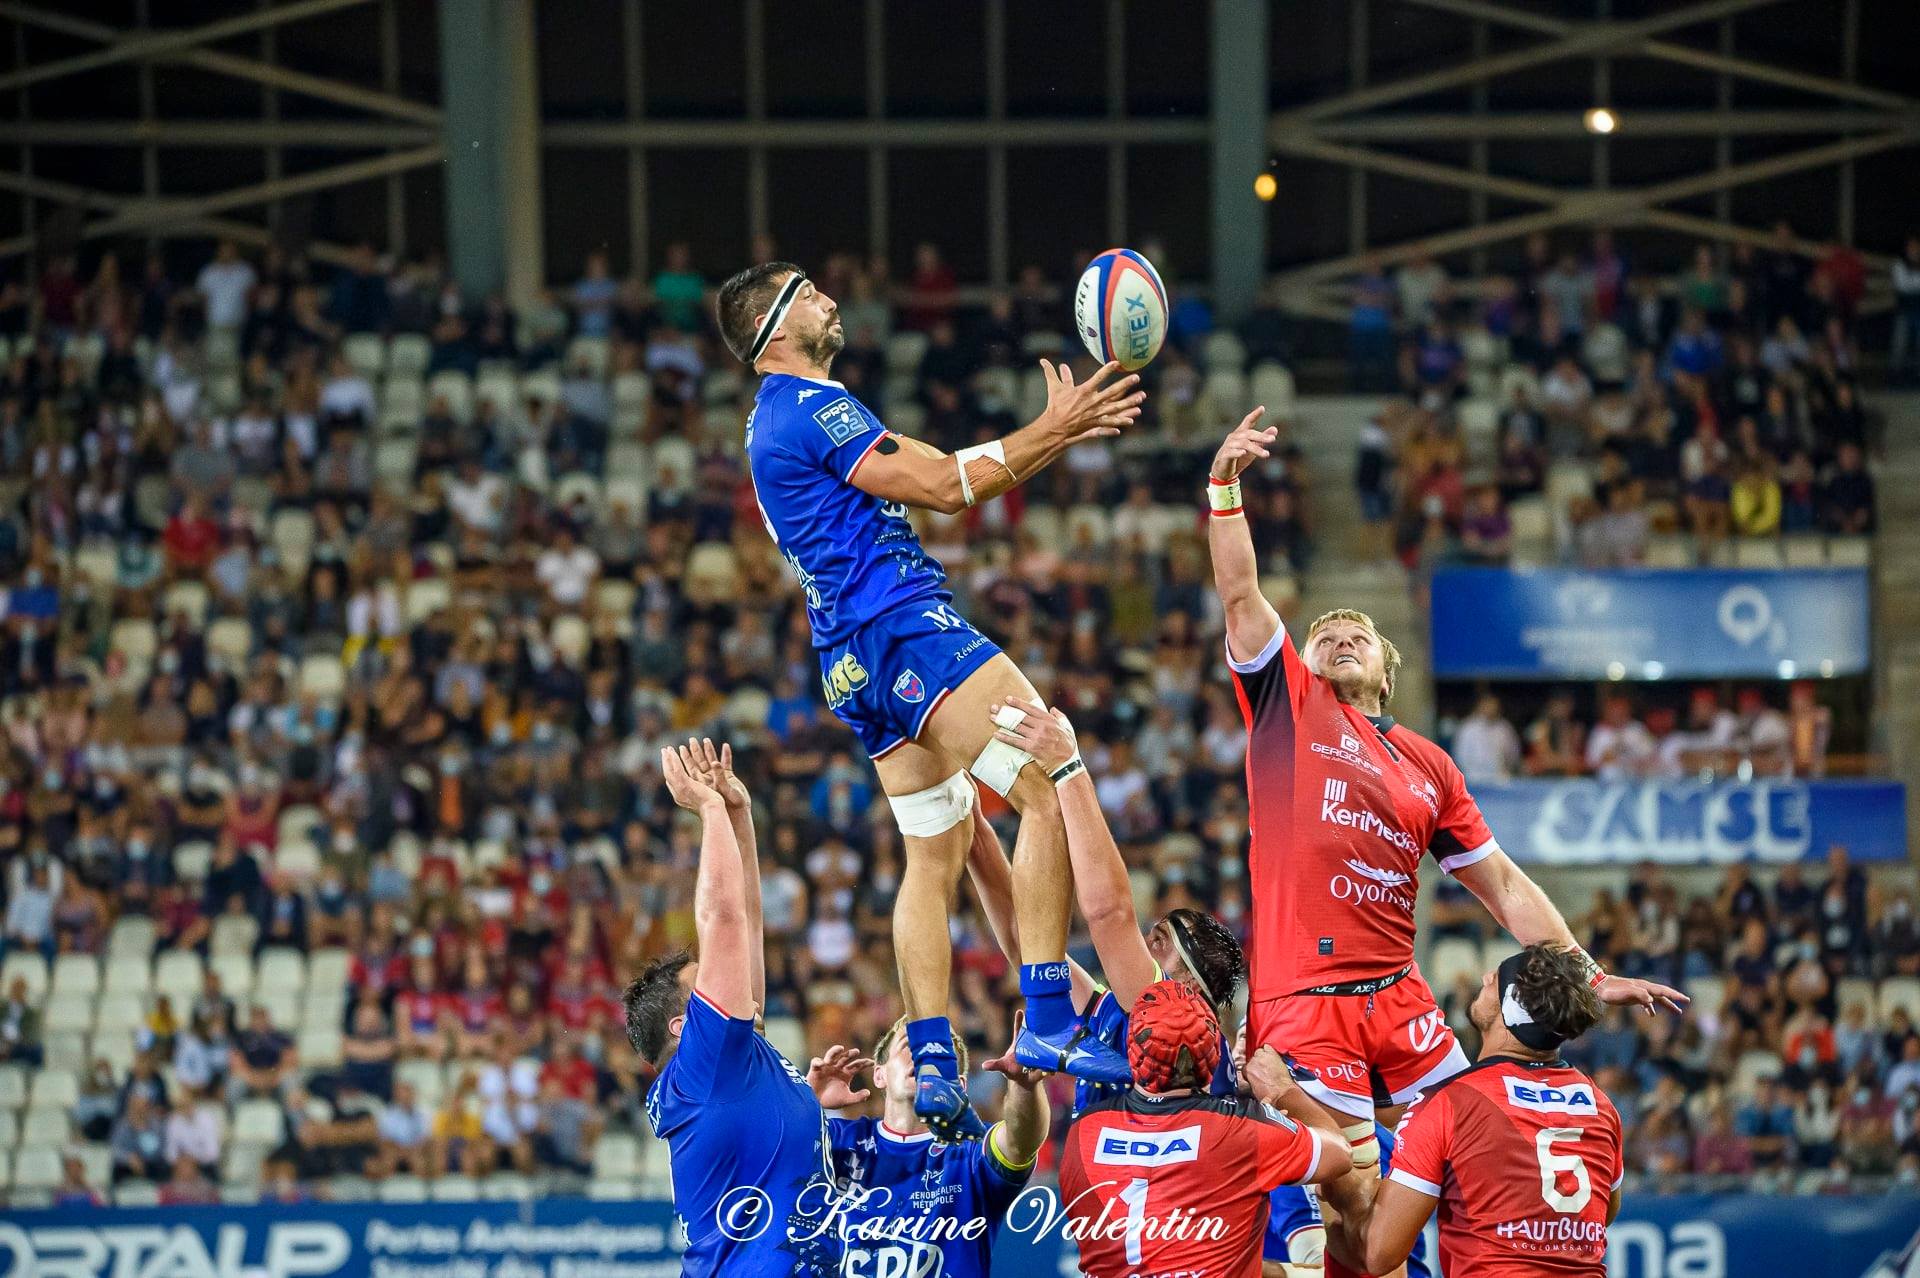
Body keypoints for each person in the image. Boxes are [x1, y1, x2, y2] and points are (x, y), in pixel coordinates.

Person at [1205, 409, 1681, 1227]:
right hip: (1306, 1000)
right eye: (1326, 635)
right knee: (1350, 1203)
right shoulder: (1287, 703)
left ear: (1388, 676)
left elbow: (1501, 883)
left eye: (1359, 635)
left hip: (1403, 999)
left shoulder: (1430, 764)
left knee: (1487, 1153)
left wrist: (1588, 972)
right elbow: (1241, 591)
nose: (1341, 636)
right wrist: (1223, 491)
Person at [717, 260, 1144, 1135]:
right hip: (904, 628)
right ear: (776, 329)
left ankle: (936, 1060)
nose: (831, 299)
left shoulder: (767, 427)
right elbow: (945, 486)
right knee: (1045, 781)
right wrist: (1054, 428)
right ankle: (1053, 1015)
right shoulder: (812, 407)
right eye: (809, 293)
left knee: (934, 852)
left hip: (848, 655)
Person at [623, 738, 840, 1277]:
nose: (726, 978)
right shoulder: (705, 1061)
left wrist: (740, 816)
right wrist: (710, 810)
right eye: (705, 985)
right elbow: (722, 920)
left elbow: (747, 923)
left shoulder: (731, 1062)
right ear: (683, 1026)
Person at [981, 701, 1246, 1114]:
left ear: (1191, 988)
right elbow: (1024, 943)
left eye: (1160, 944)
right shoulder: (1120, 1017)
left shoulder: (1194, 1041)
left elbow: (1109, 915)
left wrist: (1069, 766)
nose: (1141, 945)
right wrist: (971, 827)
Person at [1324, 944, 1623, 1278]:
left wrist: (1337, 1194)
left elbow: (1378, 1255)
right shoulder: (1601, 1105)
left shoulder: (1449, 1103)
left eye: (1494, 980)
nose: (1484, 977)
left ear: (1512, 1008)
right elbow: (1603, 1212)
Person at [1059, 980, 1351, 1278]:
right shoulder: (1244, 1130)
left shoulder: (1082, 1132)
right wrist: (1284, 1089)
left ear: (1133, 1052)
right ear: (1214, 1054)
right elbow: (1340, 1154)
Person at [812, 1017, 1048, 1277]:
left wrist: (1025, 1086)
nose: (924, 1056)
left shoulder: (970, 1149)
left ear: (960, 1085)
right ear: (880, 1075)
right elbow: (764, 1161)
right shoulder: (836, 1140)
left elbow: (1021, 1140)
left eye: (937, 1050)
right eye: (909, 1046)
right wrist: (807, 1104)